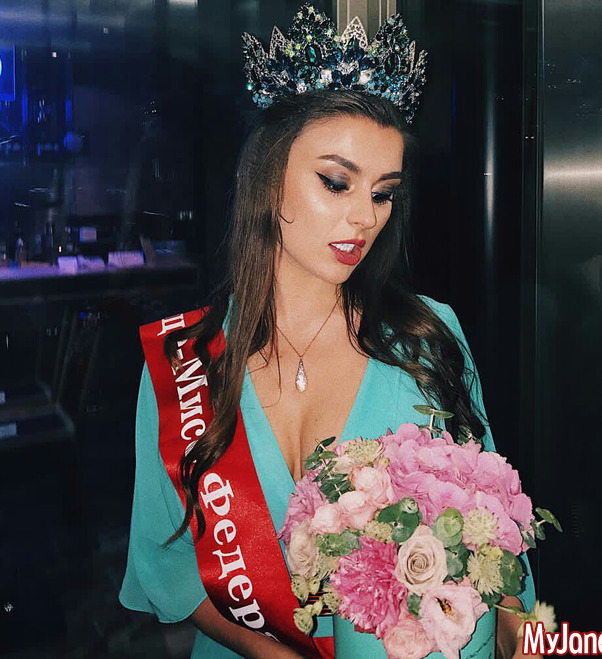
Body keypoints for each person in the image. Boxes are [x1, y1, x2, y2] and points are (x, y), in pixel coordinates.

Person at [120, 5, 537, 658]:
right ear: (268, 179)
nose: (364, 216)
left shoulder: (427, 342)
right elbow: (170, 567)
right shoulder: (184, 363)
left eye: (383, 192)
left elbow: (499, 551)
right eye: (336, 182)